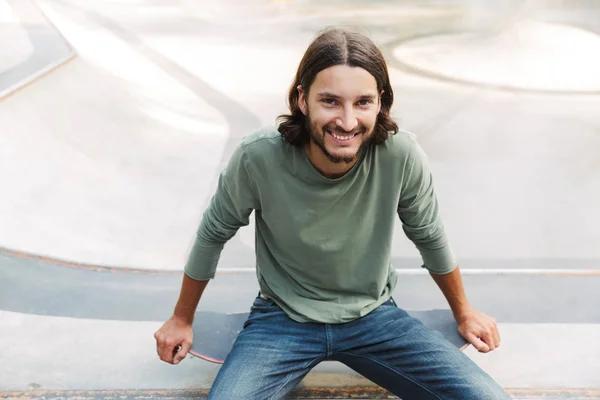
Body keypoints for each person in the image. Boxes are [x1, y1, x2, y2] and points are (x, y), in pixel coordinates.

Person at [154, 27, 512, 399]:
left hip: (375, 317)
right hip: (282, 320)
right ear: (302, 99)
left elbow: (429, 235)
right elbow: (214, 233)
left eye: (362, 102)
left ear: (381, 102)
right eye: (330, 101)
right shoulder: (258, 158)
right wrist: (181, 318)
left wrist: (464, 311)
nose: (346, 121)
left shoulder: (400, 155)